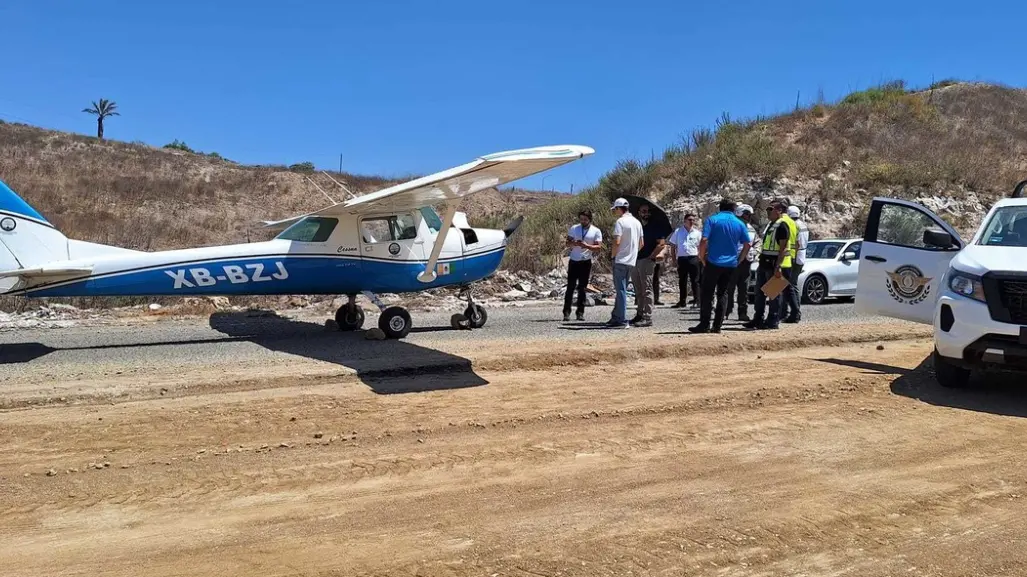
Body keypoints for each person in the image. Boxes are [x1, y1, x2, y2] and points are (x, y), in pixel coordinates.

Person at [689, 199, 751, 334]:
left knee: (707, 293)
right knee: (723, 293)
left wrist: (701, 257)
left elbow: (704, 240)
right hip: (731, 264)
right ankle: (717, 326)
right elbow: (747, 244)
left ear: (720, 208)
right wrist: (739, 260)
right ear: (733, 209)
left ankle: (704, 324)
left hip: (713, 261)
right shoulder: (739, 223)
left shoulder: (713, 220)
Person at [744, 202, 796, 331]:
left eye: (771, 210)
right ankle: (758, 318)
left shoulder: (782, 225)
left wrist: (778, 266)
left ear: (779, 211)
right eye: (767, 210)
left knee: (774, 294)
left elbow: (783, 248)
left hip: (774, 264)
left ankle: (773, 320)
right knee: (760, 292)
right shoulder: (771, 225)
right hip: (764, 263)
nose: (768, 213)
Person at [607, 197, 644, 328]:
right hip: (631, 260)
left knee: (621, 290)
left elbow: (617, 241)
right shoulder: (637, 223)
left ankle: (621, 320)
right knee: (621, 289)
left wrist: (613, 255)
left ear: (618, 208)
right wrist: (632, 253)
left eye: (615, 209)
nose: (614, 212)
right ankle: (616, 316)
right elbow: (641, 244)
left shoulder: (620, 222)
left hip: (620, 259)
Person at [563, 209, 603, 321]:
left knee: (582, 288)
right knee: (570, 287)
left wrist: (587, 246)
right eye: (581, 219)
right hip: (574, 260)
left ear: (590, 219)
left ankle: (580, 313)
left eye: (585, 219)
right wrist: (575, 243)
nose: (583, 221)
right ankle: (566, 312)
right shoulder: (574, 228)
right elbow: (567, 243)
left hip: (586, 261)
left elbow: (598, 247)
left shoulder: (596, 231)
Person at [629, 202, 665, 327]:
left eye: (647, 211)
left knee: (647, 289)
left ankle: (647, 316)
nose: (645, 213)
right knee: (638, 289)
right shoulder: (637, 226)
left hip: (647, 261)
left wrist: (652, 256)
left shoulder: (655, 226)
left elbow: (661, 244)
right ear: (638, 213)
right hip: (636, 260)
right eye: (643, 211)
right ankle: (639, 314)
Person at [725, 204, 759, 322]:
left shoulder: (750, 228)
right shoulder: (732, 226)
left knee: (743, 288)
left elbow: (757, 242)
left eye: (749, 214)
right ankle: (726, 310)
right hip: (733, 260)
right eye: (746, 214)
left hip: (746, 261)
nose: (748, 217)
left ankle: (742, 312)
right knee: (729, 287)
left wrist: (755, 252)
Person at [780, 205, 808, 323]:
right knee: (791, 285)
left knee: (790, 286)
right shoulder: (803, 225)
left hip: (793, 257)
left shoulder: (793, 224)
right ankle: (792, 312)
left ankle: (793, 313)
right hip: (800, 256)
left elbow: (796, 244)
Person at [668, 213, 701, 308]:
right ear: (685, 221)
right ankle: (682, 301)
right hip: (682, 258)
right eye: (690, 219)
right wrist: (674, 260)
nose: (692, 222)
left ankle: (697, 300)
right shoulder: (678, 232)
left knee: (695, 280)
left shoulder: (697, 233)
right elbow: (673, 246)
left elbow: (700, 247)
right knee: (682, 280)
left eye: (693, 220)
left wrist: (700, 258)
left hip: (693, 258)